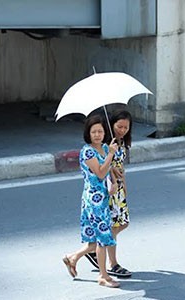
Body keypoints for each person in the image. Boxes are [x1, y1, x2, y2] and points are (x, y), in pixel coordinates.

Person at [62, 115, 120, 288]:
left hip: (103, 197)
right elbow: (100, 173)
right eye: (93, 131)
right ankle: (103, 276)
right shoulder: (87, 151)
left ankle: (72, 258)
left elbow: (109, 171)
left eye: (100, 131)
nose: (97, 134)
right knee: (102, 238)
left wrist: (114, 182)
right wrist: (110, 154)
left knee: (94, 241)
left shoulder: (104, 147)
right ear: (88, 133)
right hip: (93, 200)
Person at [84, 109, 133, 278]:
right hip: (108, 189)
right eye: (119, 126)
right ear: (112, 125)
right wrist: (112, 170)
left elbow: (120, 166)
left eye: (126, 127)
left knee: (123, 223)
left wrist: (124, 184)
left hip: (119, 188)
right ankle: (112, 263)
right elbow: (102, 166)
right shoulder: (106, 144)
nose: (123, 130)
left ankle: (91, 250)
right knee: (113, 226)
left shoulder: (121, 142)